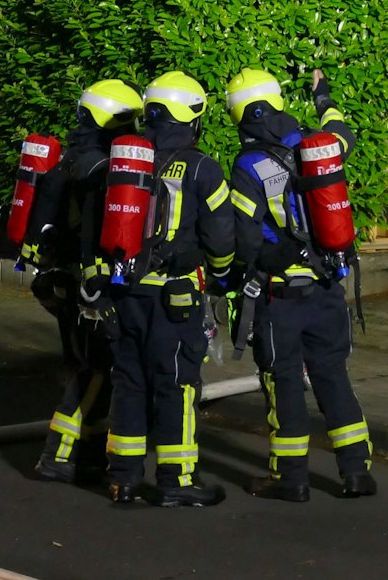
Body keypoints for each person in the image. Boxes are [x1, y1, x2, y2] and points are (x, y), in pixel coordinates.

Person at [226, 66, 376, 502]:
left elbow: (247, 239)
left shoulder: (247, 165)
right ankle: (356, 472)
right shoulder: (318, 145)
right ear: (276, 102)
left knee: (283, 380)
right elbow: (342, 131)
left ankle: (290, 478)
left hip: (281, 298)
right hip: (328, 286)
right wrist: (323, 95)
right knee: (332, 374)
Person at [99, 72, 237, 507]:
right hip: (174, 299)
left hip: (125, 293)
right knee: (177, 385)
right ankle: (175, 481)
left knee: (129, 382)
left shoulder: (124, 162)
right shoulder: (203, 168)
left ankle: (122, 479)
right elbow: (221, 237)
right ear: (191, 117)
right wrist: (221, 277)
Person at [24, 78, 143, 485]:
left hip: (60, 280)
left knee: (86, 365)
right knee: (96, 369)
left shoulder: (70, 160)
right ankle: (56, 457)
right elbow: (94, 234)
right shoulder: (99, 169)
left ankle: (87, 454)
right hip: (86, 284)